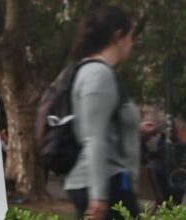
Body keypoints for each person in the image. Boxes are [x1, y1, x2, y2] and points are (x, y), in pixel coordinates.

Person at [64, 6, 152, 220]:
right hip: (105, 183)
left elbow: (102, 126)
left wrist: (135, 130)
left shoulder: (97, 72)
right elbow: (94, 137)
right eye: (130, 37)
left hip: (107, 181)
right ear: (117, 36)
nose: (132, 44)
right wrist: (98, 197)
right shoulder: (98, 74)